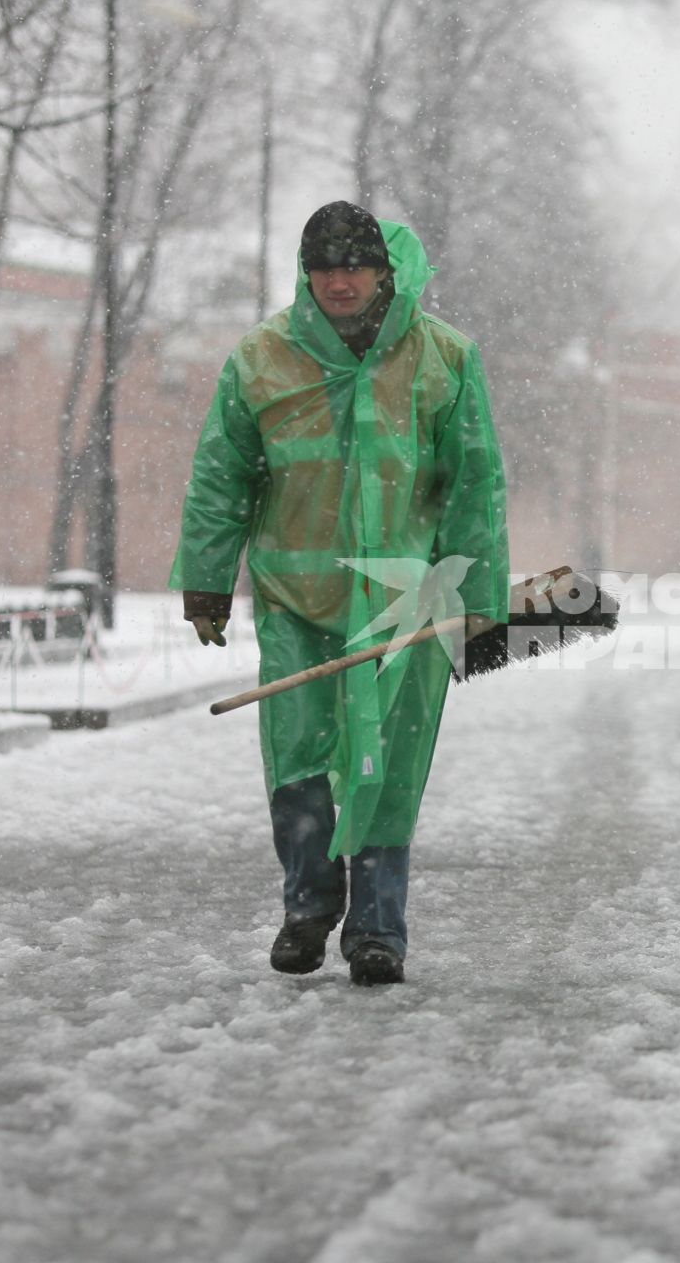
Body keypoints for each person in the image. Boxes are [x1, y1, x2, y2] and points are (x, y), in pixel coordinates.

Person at [171, 201, 509, 986]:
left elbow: (475, 484)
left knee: (387, 765)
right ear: (306, 272)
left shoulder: (444, 360)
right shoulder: (262, 359)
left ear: (385, 272)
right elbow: (222, 475)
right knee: (298, 753)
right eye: (324, 266)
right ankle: (308, 905)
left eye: (355, 265)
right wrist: (207, 578)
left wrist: (480, 593)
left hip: (408, 600)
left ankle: (378, 930)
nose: (340, 281)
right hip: (298, 594)